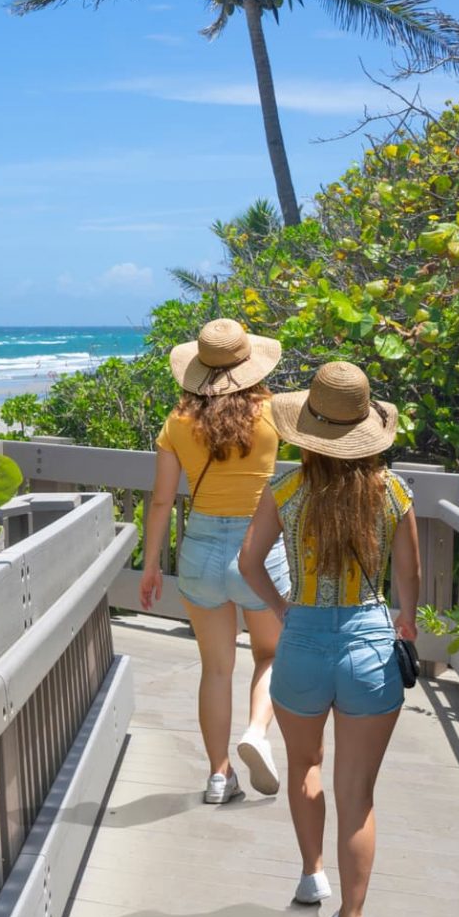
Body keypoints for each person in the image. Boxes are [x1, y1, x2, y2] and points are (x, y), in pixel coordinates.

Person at [239, 360, 420, 917]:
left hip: (304, 643)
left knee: (305, 766)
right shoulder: (393, 490)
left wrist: (284, 608)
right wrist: (406, 623)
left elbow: (248, 562)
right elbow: (410, 579)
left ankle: (311, 871)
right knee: (359, 794)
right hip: (371, 644)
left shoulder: (287, 490)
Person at [138, 318, 290, 806]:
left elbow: (161, 501)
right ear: (250, 364)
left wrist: (151, 565)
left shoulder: (177, 424)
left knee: (216, 669)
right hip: (260, 550)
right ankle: (257, 732)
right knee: (271, 654)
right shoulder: (276, 413)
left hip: (201, 547)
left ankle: (219, 775)